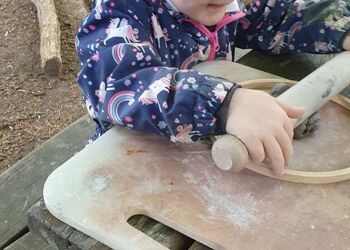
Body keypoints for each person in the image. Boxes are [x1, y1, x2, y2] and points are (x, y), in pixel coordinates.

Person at [75, 0, 350, 177]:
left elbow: (278, 16)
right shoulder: (117, 18)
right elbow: (123, 84)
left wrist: (340, 28)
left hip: (210, 158)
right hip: (130, 164)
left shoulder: (218, 3)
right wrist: (225, 103)